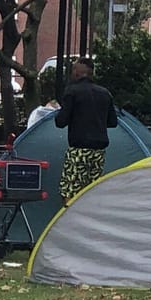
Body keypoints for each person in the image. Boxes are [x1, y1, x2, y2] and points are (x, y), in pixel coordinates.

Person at [55, 58, 117, 198]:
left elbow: (60, 122)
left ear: (77, 72)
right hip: (99, 151)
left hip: (78, 150)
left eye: (72, 70)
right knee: (91, 192)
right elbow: (113, 122)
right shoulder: (105, 93)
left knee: (69, 191)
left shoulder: (72, 91)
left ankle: (70, 218)